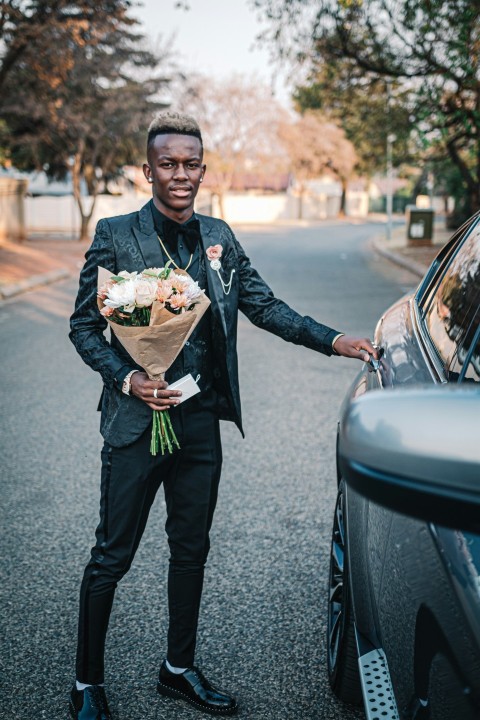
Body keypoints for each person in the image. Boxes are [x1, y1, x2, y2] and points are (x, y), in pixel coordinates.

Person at [68, 111, 378, 720]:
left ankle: (177, 669)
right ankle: (87, 684)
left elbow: (264, 305)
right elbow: (84, 326)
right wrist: (129, 377)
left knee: (191, 550)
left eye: (190, 164)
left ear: (203, 170)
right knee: (112, 555)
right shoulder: (115, 234)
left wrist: (334, 339)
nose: (179, 175)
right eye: (167, 164)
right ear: (148, 170)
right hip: (135, 425)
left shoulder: (220, 236)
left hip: (200, 424)